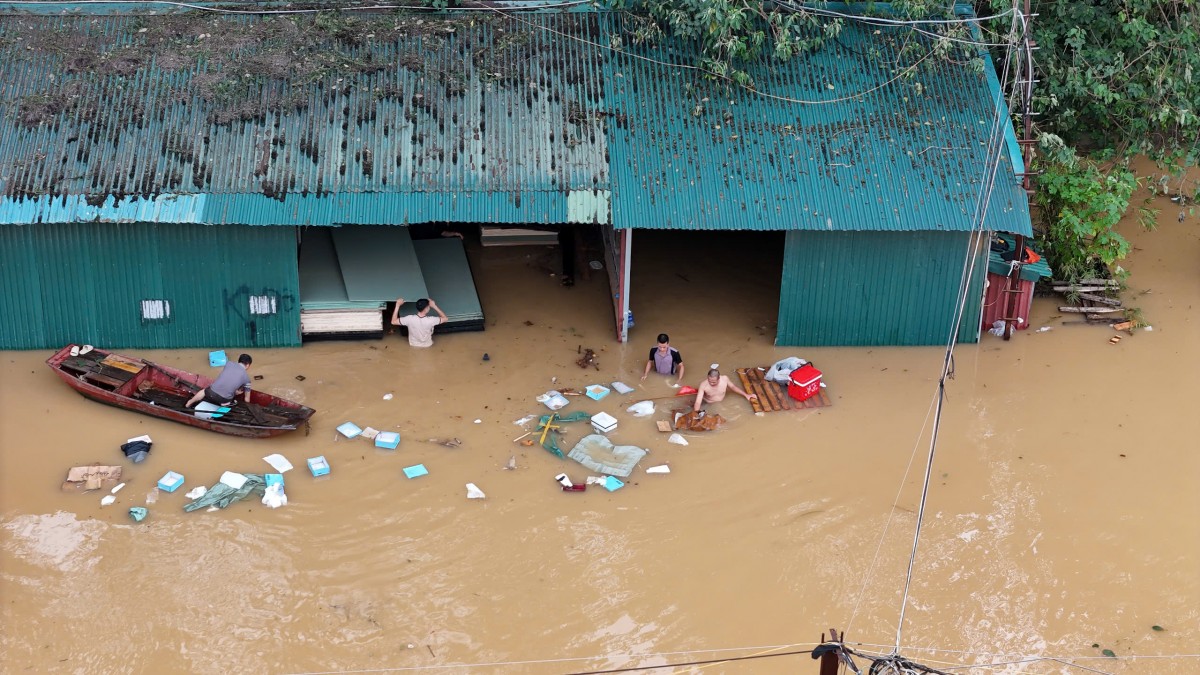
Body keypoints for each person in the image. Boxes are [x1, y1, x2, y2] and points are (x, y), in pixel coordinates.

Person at [186, 353, 252, 408]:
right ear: (248, 365)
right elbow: (247, 399)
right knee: (231, 399)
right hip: (224, 400)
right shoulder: (247, 379)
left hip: (211, 393)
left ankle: (189, 403)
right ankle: (224, 404)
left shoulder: (228, 363)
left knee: (203, 391)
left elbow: (228, 378)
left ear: (238, 361)